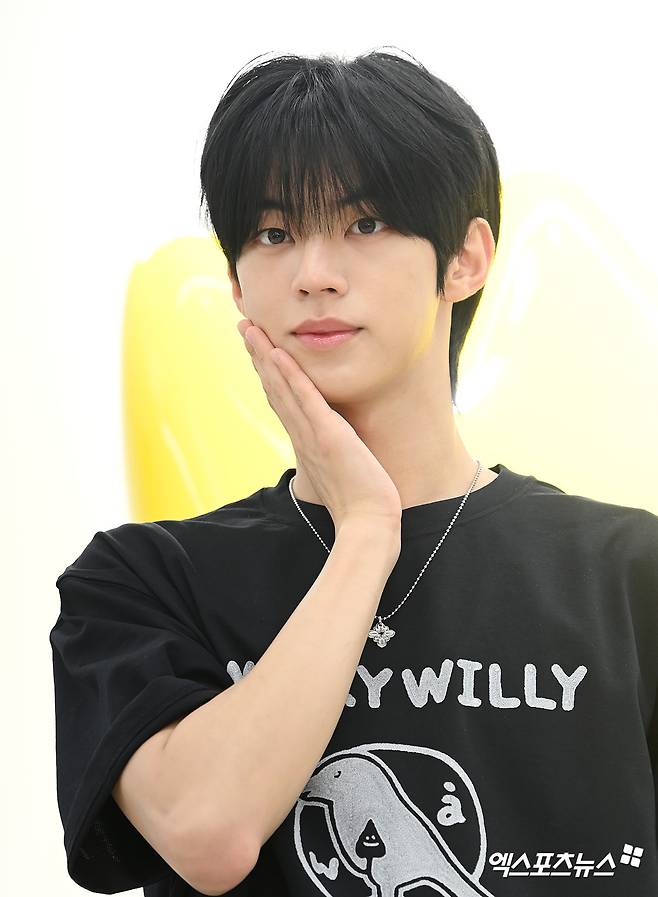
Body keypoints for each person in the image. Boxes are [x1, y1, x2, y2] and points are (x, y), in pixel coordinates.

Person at [49, 49, 658, 896]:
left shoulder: (628, 573)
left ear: (466, 257)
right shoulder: (142, 580)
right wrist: (367, 530)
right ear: (236, 283)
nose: (313, 276)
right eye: (273, 234)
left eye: (364, 224)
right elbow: (207, 832)